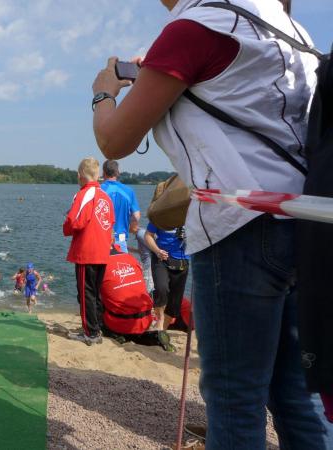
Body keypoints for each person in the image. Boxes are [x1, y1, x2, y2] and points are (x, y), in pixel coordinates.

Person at [91, 0, 328, 446]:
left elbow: (113, 139)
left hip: (239, 229)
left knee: (235, 398)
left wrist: (104, 92)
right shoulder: (289, 29)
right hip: (307, 222)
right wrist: (159, 72)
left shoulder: (195, 26)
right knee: (297, 391)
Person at [63, 157, 114, 345]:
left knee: (85, 293)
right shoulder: (105, 196)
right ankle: (96, 327)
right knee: (95, 292)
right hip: (102, 251)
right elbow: (111, 222)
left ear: (80, 175)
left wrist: (66, 228)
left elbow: (74, 221)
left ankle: (90, 332)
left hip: (87, 251)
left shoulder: (84, 194)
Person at [100, 246, 174, 352]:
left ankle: (115, 334)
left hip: (120, 323)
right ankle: (151, 337)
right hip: (146, 319)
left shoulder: (99, 264)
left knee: (98, 296)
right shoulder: (130, 258)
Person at [144, 224, 189, 333]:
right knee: (161, 288)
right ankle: (160, 321)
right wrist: (157, 251)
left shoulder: (191, 217)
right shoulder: (161, 215)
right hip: (161, 258)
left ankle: (162, 329)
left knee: (175, 299)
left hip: (183, 260)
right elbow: (148, 235)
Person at [100, 160, 140, 253]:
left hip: (101, 240)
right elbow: (137, 216)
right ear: (117, 173)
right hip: (121, 239)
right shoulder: (128, 191)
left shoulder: (98, 189)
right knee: (121, 262)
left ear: (103, 172)